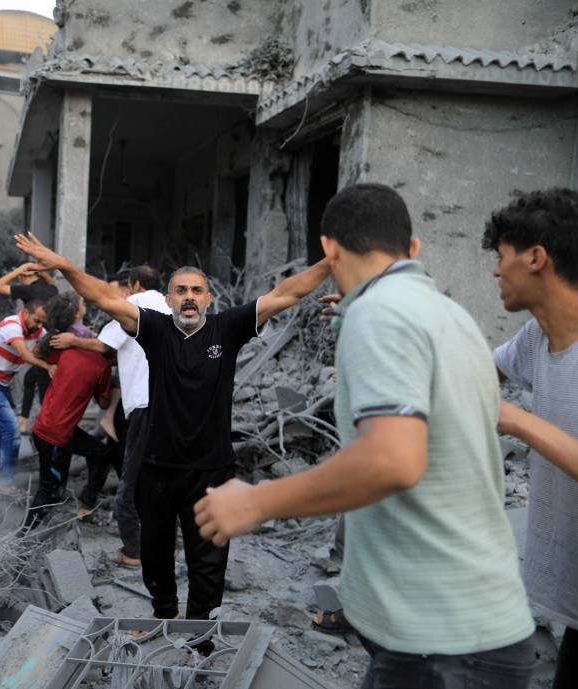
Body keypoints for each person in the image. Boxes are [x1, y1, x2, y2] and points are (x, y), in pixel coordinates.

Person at [194, 183, 535, 687]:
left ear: (329, 249)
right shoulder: (448, 314)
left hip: (440, 645)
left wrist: (259, 500)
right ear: (411, 249)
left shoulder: (382, 313)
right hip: (470, 631)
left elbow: (391, 461)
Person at [13, 232, 328, 625]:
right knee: (156, 557)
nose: (190, 296)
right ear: (168, 299)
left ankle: (200, 637)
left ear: (209, 299)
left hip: (211, 470)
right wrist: (63, 265)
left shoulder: (227, 327)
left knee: (208, 561)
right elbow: (102, 297)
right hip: (158, 466)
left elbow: (288, 292)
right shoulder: (156, 329)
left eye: (197, 290)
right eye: (181, 290)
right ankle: (163, 619)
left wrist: (332, 261)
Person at [482, 187, 578, 688]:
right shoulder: (536, 338)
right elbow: (478, 377)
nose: (495, 271)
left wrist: (520, 421)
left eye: (501, 256)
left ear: (536, 257)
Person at [50, 264, 169, 568]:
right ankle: (171, 543)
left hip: (144, 403)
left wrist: (74, 341)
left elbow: (105, 346)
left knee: (131, 480)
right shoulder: (171, 305)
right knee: (165, 477)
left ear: (135, 284)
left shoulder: (135, 306)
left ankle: (133, 551)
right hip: (174, 404)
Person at [25, 292, 114, 529]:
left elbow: (36, 352)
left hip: (49, 429)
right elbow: (104, 404)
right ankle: (22, 541)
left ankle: (84, 507)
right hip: (55, 436)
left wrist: (50, 365)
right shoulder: (101, 365)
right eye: (82, 303)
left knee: (101, 454)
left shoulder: (62, 345)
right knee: (50, 491)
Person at [0, 299, 52, 491]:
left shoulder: (38, 332)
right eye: (36, 320)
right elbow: (25, 355)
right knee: (12, 431)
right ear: (24, 312)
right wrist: (48, 366)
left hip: (1, 385)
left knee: (4, 430)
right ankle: (6, 481)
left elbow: (47, 345)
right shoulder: (11, 325)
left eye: (43, 322)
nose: (39, 326)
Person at [0, 263, 58, 433]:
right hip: (54, 342)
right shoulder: (52, 290)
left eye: (21, 276)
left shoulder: (28, 290)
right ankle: (24, 421)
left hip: (46, 346)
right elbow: (51, 281)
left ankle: (45, 431)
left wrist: (18, 270)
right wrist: (39, 270)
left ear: (24, 276)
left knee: (43, 389)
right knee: (31, 378)